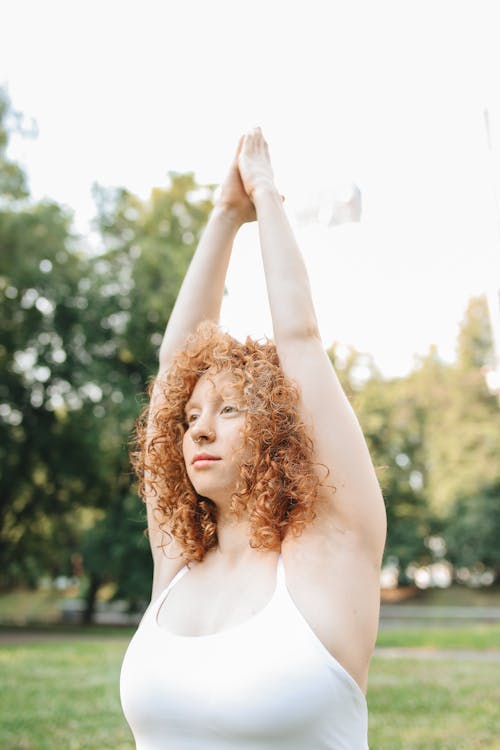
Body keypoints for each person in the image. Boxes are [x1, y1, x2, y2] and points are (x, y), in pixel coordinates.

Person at [120, 128, 387, 750]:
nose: (199, 429)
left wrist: (265, 196)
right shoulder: (179, 563)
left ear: (277, 429)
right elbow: (174, 358)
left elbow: (300, 339)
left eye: (230, 409)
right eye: (189, 419)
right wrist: (222, 215)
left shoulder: (330, 551)